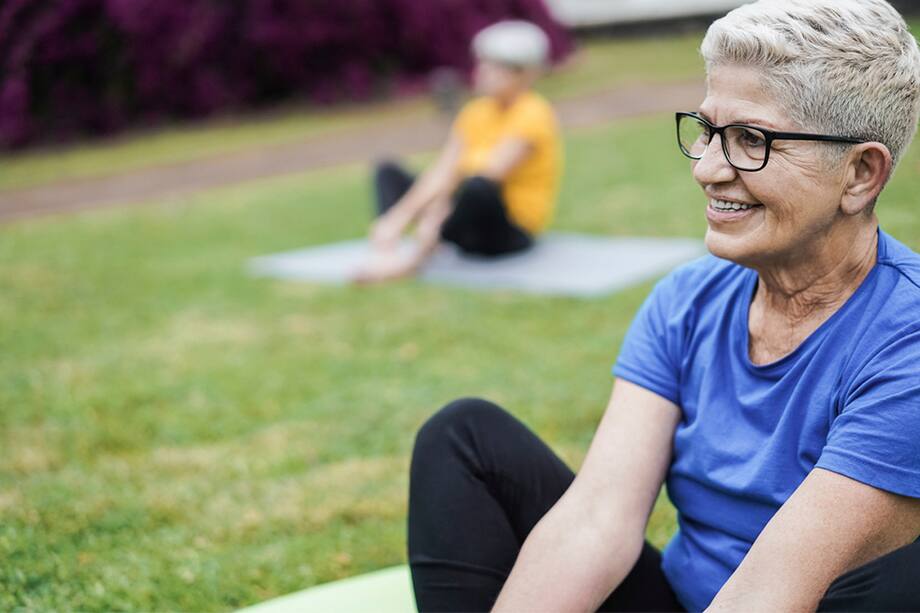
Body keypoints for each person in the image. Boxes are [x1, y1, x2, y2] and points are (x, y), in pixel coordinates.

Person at [407, 0, 920, 611]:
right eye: (707, 130)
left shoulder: (906, 340)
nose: (707, 169)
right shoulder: (687, 300)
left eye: (751, 140)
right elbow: (597, 520)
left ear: (860, 173)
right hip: (684, 600)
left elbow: (770, 594)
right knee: (463, 436)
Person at [352, 20, 562, 284]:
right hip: (460, 216)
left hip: (504, 231)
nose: (483, 72)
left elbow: (485, 177)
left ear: (524, 74)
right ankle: (390, 248)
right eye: (483, 63)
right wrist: (398, 218)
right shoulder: (475, 112)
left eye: (496, 67)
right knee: (387, 171)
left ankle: (415, 260)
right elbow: (445, 170)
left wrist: (435, 216)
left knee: (478, 187)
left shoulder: (534, 114)